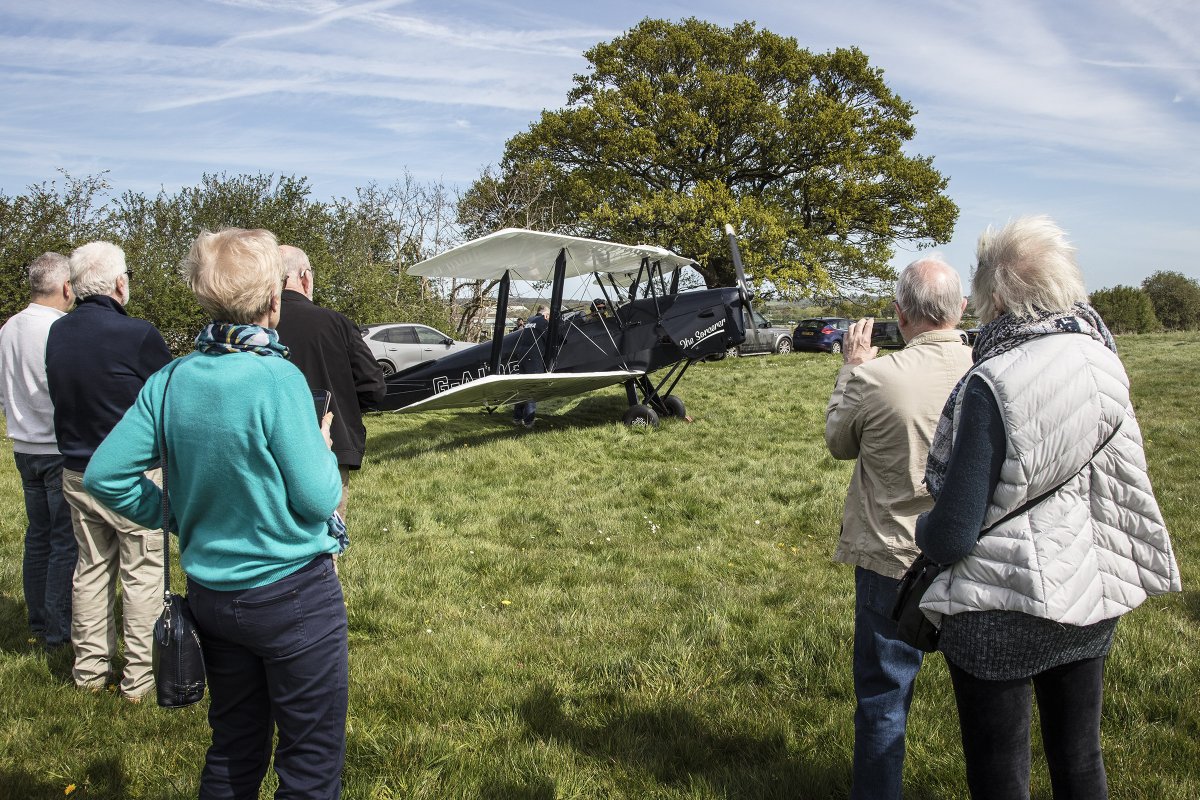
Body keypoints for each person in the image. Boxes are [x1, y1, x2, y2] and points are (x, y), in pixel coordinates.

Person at [915, 216, 1181, 799]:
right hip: (1090, 589)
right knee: (1081, 758)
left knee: (1000, 773)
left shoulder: (993, 378)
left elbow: (954, 534)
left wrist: (922, 529)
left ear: (997, 293)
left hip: (999, 604)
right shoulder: (1102, 357)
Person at [84, 228, 348, 797]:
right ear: (274, 300)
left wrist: (175, 514)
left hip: (212, 596)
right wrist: (323, 450)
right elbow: (317, 499)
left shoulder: (172, 378)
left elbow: (105, 475)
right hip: (293, 594)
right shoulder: (277, 377)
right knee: (310, 761)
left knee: (233, 746)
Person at [825, 256, 972, 800]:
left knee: (884, 698)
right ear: (960, 309)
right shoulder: (988, 369)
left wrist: (853, 368)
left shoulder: (875, 377)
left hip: (893, 555)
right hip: (972, 555)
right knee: (986, 703)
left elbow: (838, 444)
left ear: (900, 313)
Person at [45, 241, 172, 700]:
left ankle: (89, 670)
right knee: (142, 570)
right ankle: (139, 678)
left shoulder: (58, 333)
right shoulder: (136, 334)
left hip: (76, 468)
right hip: (131, 471)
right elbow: (168, 397)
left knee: (91, 568)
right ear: (120, 283)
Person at [0, 252, 77, 650]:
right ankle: (58, 629)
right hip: (56, 446)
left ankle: (37, 618)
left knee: (38, 537)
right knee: (65, 540)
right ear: (67, 287)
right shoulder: (61, 329)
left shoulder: (9, 328)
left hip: (22, 444)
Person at [275, 244, 385, 520]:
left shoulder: (253, 326)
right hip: (329, 447)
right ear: (305, 277)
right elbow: (373, 387)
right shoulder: (336, 323)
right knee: (326, 542)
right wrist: (343, 401)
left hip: (269, 452)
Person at [512, 304, 549, 427]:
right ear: (545, 314)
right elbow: (550, 338)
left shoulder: (530, 320)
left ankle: (517, 417)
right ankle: (528, 420)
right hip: (533, 358)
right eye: (548, 316)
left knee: (523, 388)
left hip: (522, 356)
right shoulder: (543, 322)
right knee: (533, 388)